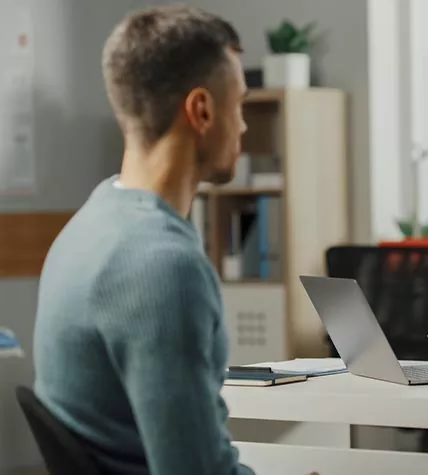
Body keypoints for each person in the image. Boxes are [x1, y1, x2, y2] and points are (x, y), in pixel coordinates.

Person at [33, 5, 316, 475]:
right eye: (239, 105)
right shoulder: (161, 267)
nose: (244, 125)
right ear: (202, 110)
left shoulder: (87, 226)